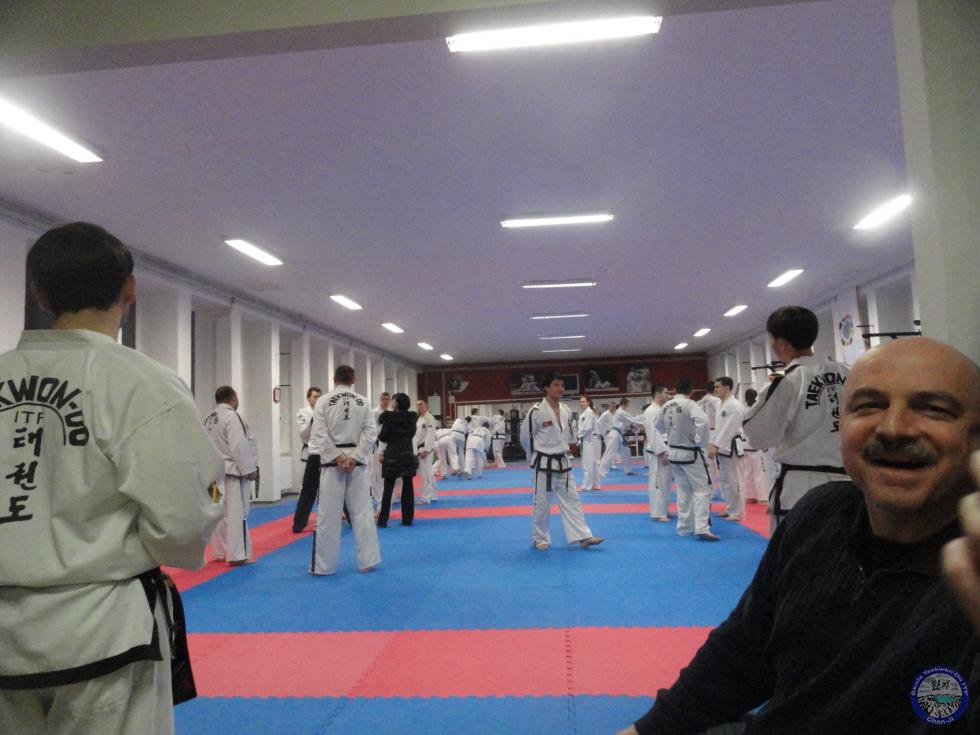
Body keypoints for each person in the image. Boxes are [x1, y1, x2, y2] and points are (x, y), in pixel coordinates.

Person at [615, 337, 980, 734]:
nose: (893, 428)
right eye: (869, 405)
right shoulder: (819, 515)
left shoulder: (970, 582)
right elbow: (740, 655)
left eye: (933, 409)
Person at [0, 222, 224, 735]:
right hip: (102, 632)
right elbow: (184, 521)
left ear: (39, 293)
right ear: (130, 288)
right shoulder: (142, 383)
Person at [743, 306, 850, 527]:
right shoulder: (849, 372)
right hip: (850, 483)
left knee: (798, 548)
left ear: (781, 343)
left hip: (802, 489)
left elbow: (759, 437)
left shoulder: (785, 378)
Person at [308, 364, 380, 575]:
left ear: (334, 379)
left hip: (332, 465)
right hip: (357, 465)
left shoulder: (323, 401)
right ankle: (367, 562)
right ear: (353, 380)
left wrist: (338, 457)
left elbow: (319, 433)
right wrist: (355, 457)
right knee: (362, 513)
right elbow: (370, 433)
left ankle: (324, 566)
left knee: (328, 516)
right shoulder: (363, 401)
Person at [520, 373, 605, 551]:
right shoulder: (536, 411)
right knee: (542, 503)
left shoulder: (566, 410)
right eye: (556, 385)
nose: (560, 389)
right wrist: (532, 457)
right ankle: (539, 538)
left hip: (563, 462)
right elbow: (525, 438)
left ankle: (583, 536)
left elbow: (566, 436)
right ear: (546, 388)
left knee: (573, 500)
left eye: (562, 385)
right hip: (543, 463)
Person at [204, 385, 259, 565]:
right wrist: (249, 470)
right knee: (237, 513)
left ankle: (220, 551)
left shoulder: (208, 418)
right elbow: (238, 445)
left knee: (218, 514)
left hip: (212, 477)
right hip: (232, 475)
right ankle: (237, 554)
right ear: (233, 398)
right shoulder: (232, 416)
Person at [663, 378, 717, 541]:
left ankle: (685, 528)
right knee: (702, 490)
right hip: (690, 453)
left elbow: (658, 425)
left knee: (683, 491)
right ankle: (702, 528)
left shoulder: (666, 405)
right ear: (691, 391)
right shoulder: (689, 404)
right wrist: (700, 440)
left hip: (673, 452)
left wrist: (672, 434)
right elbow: (704, 420)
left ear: (674, 390)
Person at [376, 393, 419, 527]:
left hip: (392, 455)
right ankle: (408, 519)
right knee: (408, 488)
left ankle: (383, 520)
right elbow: (412, 434)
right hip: (407, 454)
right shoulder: (412, 419)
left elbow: (383, 437)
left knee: (388, 489)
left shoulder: (389, 418)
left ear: (396, 403)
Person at [709, 377, 747, 521]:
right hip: (722, 447)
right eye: (715, 387)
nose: (715, 390)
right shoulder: (720, 404)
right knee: (725, 480)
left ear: (727, 387)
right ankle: (730, 508)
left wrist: (716, 445)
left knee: (734, 480)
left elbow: (729, 428)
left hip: (731, 446)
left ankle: (738, 512)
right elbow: (718, 427)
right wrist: (713, 443)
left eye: (718, 387)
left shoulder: (735, 405)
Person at [292, 386, 326, 533]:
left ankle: (321, 519)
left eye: (319, 396)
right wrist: (312, 421)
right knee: (306, 489)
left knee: (325, 490)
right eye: (314, 396)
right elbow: (303, 434)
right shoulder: (303, 412)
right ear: (308, 398)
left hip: (324, 453)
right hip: (309, 453)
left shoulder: (325, 411)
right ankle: (299, 522)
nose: (317, 399)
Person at [643, 385, 672, 521]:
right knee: (657, 482)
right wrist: (661, 452)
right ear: (657, 393)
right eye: (665, 392)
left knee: (665, 482)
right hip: (657, 451)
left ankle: (664, 509)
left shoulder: (661, 409)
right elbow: (652, 432)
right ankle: (657, 513)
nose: (668, 395)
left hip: (666, 447)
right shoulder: (651, 411)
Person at [739, 388, 771, 504]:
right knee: (759, 472)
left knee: (747, 472)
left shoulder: (742, 410)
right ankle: (762, 498)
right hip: (755, 444)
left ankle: (749, 496)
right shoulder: (758, 410)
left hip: (744, 444)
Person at [600, 398, 644, 478]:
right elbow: (633, 419)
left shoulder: (620, 412)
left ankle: (628, 470)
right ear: (625, 404)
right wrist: (644, 421)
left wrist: (638, 423)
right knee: (609, 453)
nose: (628, 406)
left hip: (619, 435)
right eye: (628, 404)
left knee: (626, 452)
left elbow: (631, 421)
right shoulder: (621, 412)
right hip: (614, 434)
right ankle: (601, 472)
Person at [370, 392, 392, 507]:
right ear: (380, 399)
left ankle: (390, 497)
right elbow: (371, 429)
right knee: (377, 473)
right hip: (377, 443)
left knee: (390, 473)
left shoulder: (392, 412)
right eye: (383, 399)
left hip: (390, 445)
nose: (385, 401)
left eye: (387, 399)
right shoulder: (374, 412)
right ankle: (379, 500)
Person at [578, 395, 602, 491]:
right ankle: (595, 485)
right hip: (594, 439)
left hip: (589, 439)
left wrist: (578, 434)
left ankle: (586, 486)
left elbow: (588, 428)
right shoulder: (589, 412)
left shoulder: (588, 412)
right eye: (580, 402)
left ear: (588, 402)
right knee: (595, 463)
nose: (581, 403)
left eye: (583, 401)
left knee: (588, 463)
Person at [416, 399, 438, 503]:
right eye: (417, 405)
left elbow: (430, 435)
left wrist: (426, 449)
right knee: (428, 473)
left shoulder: (429, 417)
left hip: (424, 448)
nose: (419, 407)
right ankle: (433, 495)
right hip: (420, 447)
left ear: (426, 406)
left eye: (421, 404)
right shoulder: (420, 418)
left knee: (425, 473)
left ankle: (426, 497)